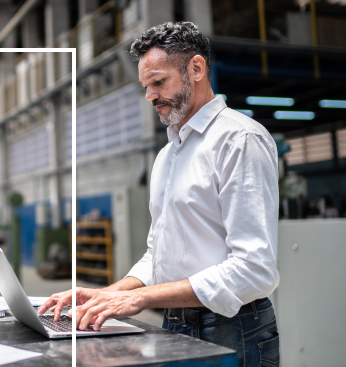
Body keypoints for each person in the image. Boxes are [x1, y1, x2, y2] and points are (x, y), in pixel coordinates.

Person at [39, 21, 280, 366]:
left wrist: (140, 300)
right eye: (146, 86)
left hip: (232, 327)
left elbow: (254, 268)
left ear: (195, 69)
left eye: (159, 82)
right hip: (174, 321)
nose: (150, 96)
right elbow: (158, 255)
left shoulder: (239, 140)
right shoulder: (169, 154)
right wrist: (107, 294)